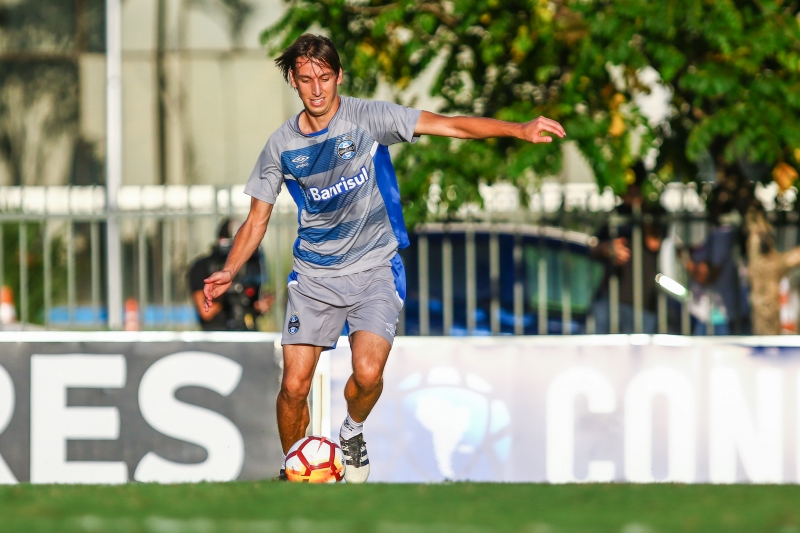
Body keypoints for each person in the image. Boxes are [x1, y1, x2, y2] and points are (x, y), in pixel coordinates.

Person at [202, 34, 565, 483]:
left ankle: (351, 431)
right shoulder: (281, 146)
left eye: (325, 77)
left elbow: (448, 124)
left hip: (376, 267)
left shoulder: (369, 118)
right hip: (315, 276)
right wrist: (229, 270)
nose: (317, 88)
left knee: (368, 375)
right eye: (306, 79)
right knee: (294, 386)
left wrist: (519, 129)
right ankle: (295, 469)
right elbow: (257, 220)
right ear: (293, 82)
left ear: (338, 77)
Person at [590, 162, 665, 333]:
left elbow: (654, 243)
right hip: (610, 297)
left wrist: (641, 209)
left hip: (642, 303)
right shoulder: (615, 214)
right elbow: (594, 248)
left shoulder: (655, 213)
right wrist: (608, 249)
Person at [188, 218, 271, 331]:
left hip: (247, 332)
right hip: (218, 334)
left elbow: (254, 305)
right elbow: (205, 312)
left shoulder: (250, 266)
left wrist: (260, 306)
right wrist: (224, 287)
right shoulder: (203, 267)